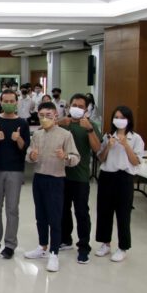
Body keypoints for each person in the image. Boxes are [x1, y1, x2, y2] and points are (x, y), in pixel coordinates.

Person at [24, 102, 80, 272]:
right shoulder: (37, 134)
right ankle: (42, 247)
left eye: (48, 115)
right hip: (39, 178)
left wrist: (66, 156)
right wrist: (32, 156)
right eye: (41, 115)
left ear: (56, 116)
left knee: (55, 217)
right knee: (40, 216)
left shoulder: (65, 135)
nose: (44, 118)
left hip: (56, 179)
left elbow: (76, 158)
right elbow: (29, 154)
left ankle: (54, 253)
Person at [0, 90, 30, 259]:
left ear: (16, 102)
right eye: (5, 101)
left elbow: (24, 148)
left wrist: (18, 139)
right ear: (0, 102)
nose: (9, 103)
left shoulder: (22, 123)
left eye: (11, 101)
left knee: (12, 208)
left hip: (15, 170)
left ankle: (10, 244)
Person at [95, 106, 144, 263]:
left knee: (123, 214)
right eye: (116, 117)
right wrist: (108, 146)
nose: (119, 120)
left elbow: (136, 162)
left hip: (124, 178)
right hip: (106, 177)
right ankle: (105, 243)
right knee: (104, 211)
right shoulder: (108, 135)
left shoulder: (135, 138)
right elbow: (101, 158)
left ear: (128, 120)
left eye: (122, 117)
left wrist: (126, 145)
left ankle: (123, 247)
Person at [57, 94, 101, 264]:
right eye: (74, 104)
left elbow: (97, 149)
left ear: (86, 109)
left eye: (80, 106)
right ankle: (65, 239)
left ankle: (84, 246)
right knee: (63, 209)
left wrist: (89, 129)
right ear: (69, 106)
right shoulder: (63, 123)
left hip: (80, 176)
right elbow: (43, 132)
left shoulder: (90, 125)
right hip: (61, 174)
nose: (76, 108)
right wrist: (58, 122)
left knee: (81, 212)